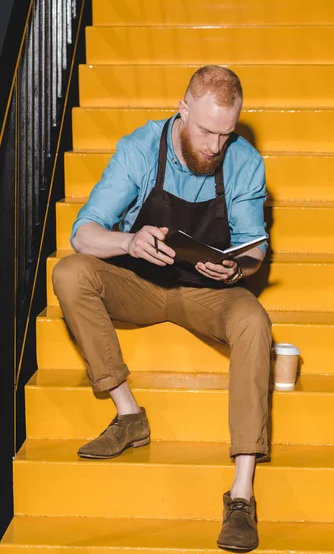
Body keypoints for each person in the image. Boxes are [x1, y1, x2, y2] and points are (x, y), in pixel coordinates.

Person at [52, 65, 272, 552]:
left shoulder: (244, 161)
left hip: (207, 294)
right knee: (69, 272)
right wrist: (129, 241)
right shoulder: (138, 148)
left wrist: (238, 269)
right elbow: (83, 234)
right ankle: (129, 414)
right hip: (141, 285)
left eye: (226, 133)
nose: (215, 146)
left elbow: (255, 248)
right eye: (206, 131)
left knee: (255, 320)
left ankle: (241, 495)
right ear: (183, 108)